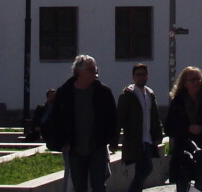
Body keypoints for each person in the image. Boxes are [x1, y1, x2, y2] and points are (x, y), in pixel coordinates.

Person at [45, 54, 117, 192]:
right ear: (79, 72)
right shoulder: (65, 93)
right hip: (75, 149)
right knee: (79, 186)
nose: (95, 73)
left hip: (97, 147)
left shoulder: (103, 92)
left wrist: (105, 140)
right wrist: (64, 142)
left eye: (95, 69)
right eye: (90, 70)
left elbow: (112, 118)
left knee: (99, 184)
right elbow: (56, 121)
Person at [116, 63, 163, 192]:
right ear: (133, 77)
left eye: (143, 75)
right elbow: (119, 118)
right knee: (146, 168)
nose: (141, 77)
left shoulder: (150, 94)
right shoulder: (127, 96)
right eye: (138, 75)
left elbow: (155, 116)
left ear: (147, 76)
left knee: (142, 169)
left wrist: (158, 135)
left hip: (148, 139)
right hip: (135, 140)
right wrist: (113, 141)